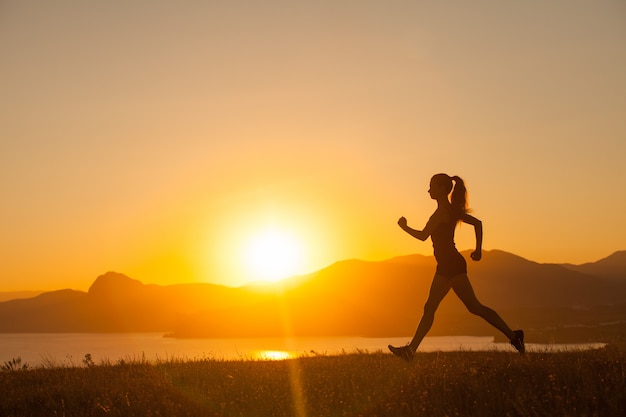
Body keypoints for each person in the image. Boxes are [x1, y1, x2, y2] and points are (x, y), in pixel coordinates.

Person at [388, 174, 524, 360]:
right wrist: (478, 250)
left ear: (443, 188)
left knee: (473, 307)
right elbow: (478, 224)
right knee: (435, 307)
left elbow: (422, 236)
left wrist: (404, 226)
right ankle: (410, 351)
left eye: (432, 186)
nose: (428, 190)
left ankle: (514, 336)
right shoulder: (450, 210)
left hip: (451, 264)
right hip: (446, 265)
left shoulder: (443, 212)